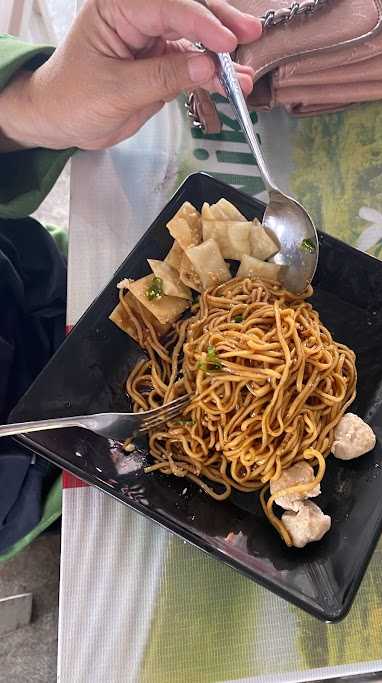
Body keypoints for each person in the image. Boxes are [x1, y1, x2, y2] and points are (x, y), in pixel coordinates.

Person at [0, 0, 261, 559]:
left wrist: (24, 104)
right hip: (14, 476)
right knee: (66, 511)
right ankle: (51, 511)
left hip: (38, 282)